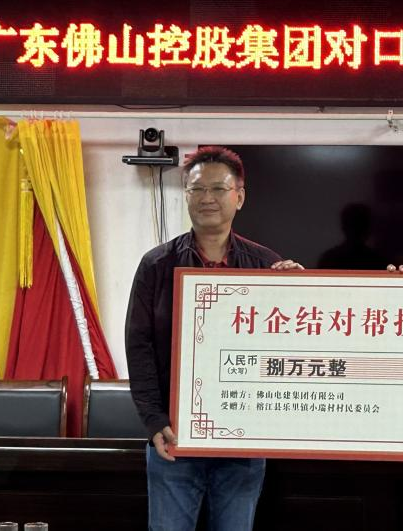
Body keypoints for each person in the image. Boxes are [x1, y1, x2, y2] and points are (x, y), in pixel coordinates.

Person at [125, 145, 303, 531]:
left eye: (219, 189)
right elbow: (138, 347)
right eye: (197, 189)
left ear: (239, 196)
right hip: (174, 437)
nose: (207, 198)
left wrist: (299, 291)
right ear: (186, 196)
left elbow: (292, 348)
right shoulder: (156, 265)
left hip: (243, 438)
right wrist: (154, 420)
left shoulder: (266, 265)